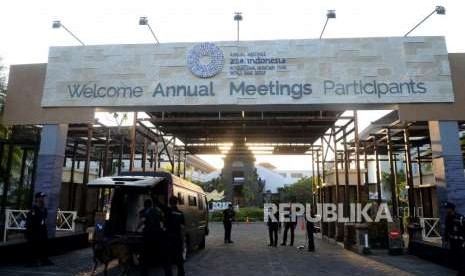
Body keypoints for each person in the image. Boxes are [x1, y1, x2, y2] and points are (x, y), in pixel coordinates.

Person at [138, 198, 171, 276]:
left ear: (144, 205)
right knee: (162, 257)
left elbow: (142, 221)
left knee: (144, 257)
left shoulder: (143, 212)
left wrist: (137, 228)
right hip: (158, 235)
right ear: (151, 204)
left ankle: (144, 273)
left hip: (147, 236)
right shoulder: (158, 211)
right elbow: (163, 221)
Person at [25, 192, 53, 266]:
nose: (43, 199)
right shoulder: (33, 210)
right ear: (37, 199)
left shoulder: (44, 209)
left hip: (42, 231)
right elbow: (30, 222)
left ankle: (44, 260)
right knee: (33, 247)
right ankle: (31, 262)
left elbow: (44, 219)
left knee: (44, 246)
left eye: (43, 197)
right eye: (41, 197)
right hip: (34, 232)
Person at [165, 196, 186, 276]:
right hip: (178, 238)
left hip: (169, 238)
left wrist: (151, 195)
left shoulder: (168, 210)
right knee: (179, 258)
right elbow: (183, 226)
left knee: (167, 259)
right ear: (176, 202)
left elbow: (159, 205)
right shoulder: (180, 213)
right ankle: (181, 273)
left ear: (170, 203)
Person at [444, 202, 465, 275]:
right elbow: (446, 230)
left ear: (451, 209)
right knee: (456, 257)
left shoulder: (459, 218)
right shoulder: (448, 218)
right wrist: (446, 240)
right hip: (452, 241)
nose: (446, 210)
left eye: (447, 208)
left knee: (461, 257)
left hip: (460, 241)